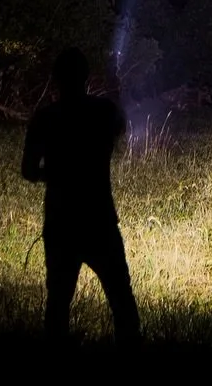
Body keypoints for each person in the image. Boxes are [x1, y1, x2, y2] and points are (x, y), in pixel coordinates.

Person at [21, 47, 141, 345]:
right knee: (121, 299)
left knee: (58, 302)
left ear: (56, 78)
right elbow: (120, 127)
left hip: (60, 220)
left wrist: (56, 173)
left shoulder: (45, 118)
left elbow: (28, 170)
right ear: (86, 76)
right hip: (99, 218)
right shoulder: (104, 112)